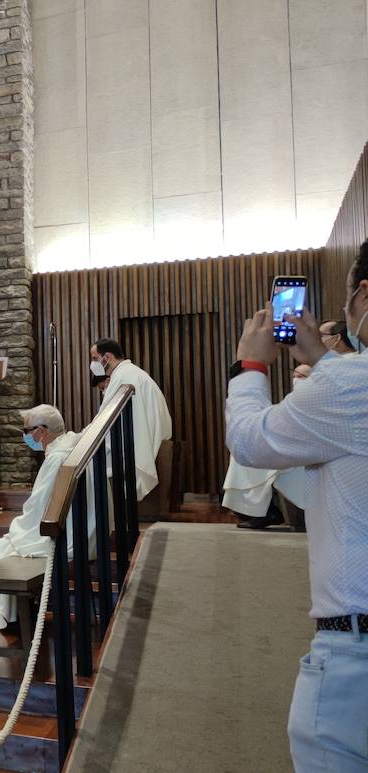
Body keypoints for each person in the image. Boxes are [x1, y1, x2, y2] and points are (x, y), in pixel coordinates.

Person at [226, 239, 368, 769]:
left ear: (365, 295)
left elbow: (250, 440)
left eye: (349, 295)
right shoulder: (348, 379)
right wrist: (323, 359)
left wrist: (252, 366)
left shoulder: (352, 385)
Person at [0, 405, 82, 630]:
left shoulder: (56, 459)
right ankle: (15, 615)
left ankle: (8, 619)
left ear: (41, 432)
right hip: (74, 528)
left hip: (59, 536)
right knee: (3, 545)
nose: (25, 436)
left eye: (26, 430)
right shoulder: (70, 448)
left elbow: (37, 509)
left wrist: (17, 527)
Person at [221, 365, 311, 530]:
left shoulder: (322, 393)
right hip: (295, 445)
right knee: (249, 449)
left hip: (308, 449)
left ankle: (259, 510)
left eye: (303, 377)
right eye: (295, 376)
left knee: (255, 452)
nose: (297, 380)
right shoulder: (295, 398)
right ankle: (259, 509)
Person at [90, 338, 172, 502]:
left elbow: (104, 421)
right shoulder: (132, 373)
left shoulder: (122, 377)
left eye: (94, 358)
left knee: (84, 463)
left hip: (137, 445)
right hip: (147, 440)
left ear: (107, 357)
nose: (92, 365)